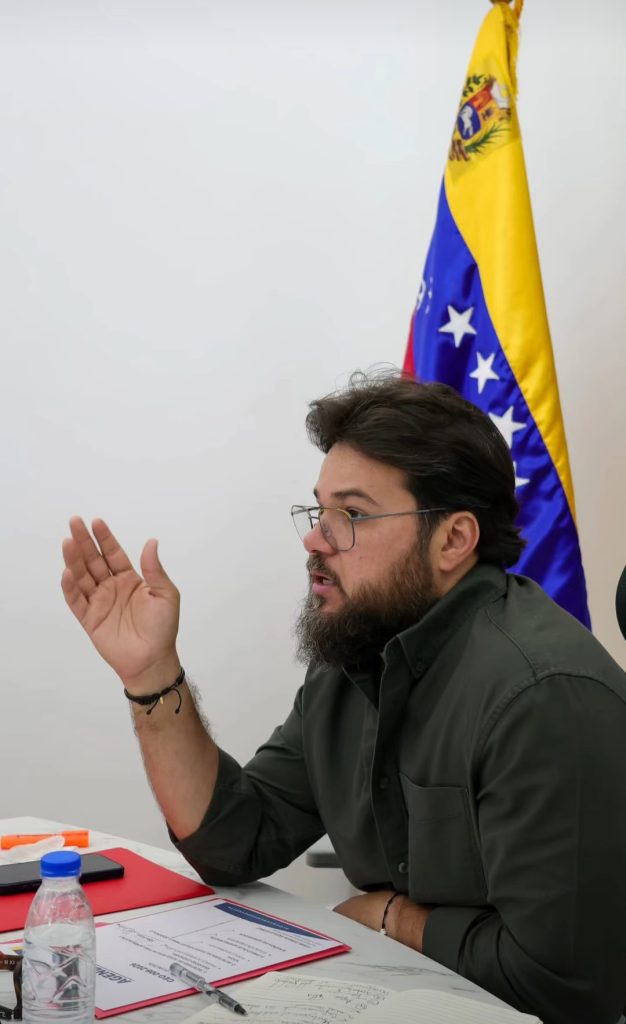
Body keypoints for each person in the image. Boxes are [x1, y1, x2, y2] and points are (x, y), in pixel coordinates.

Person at [61, 371, 626, 1024]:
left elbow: (565, 983)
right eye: (319, 511)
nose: (315, 539)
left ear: (453, 540)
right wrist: (152, 673)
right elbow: (234, 842)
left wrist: (391, 917)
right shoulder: (358, 653)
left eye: (352, 515)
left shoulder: (542, 695)